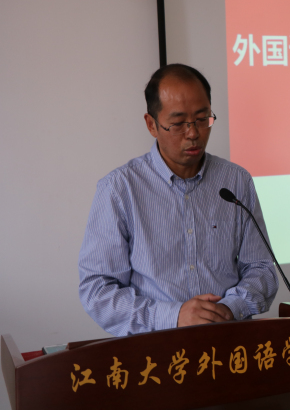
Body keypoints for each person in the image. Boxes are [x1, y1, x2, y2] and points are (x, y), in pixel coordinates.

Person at [78, 64, 278, 336]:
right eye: (178, 123)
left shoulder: (236, 181)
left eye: (202, 118)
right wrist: (173, 316)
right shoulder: (120, 189)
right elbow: (97, 290)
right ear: (152, 124)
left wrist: (231, 307)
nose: (193, 133)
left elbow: (261, 268)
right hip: (156, 349)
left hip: (229, 342)